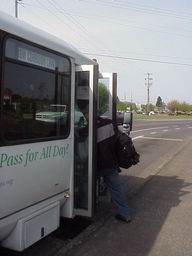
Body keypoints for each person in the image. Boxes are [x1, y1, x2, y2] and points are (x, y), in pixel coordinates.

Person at [97, 116, 131, 223]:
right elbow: (120, 139)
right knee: (116, 189)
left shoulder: (87, 126)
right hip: (111, 163)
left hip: (96, 165)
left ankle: (84, 208)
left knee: (84, 183)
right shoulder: (109, 123)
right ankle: (125, 214)